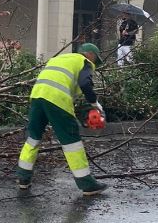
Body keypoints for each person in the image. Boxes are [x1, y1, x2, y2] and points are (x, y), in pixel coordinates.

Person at [16, 43, 108, 195]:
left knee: (33, 138)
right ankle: (87, 184)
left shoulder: (59, 59)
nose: (95, 65)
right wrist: (95, 104)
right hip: (57, 99)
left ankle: (23, 178)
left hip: (37, 97)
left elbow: (61, 82)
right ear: (90, 54)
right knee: (72, 143)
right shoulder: (84, 62)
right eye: (96, 60)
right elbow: (85, 84)